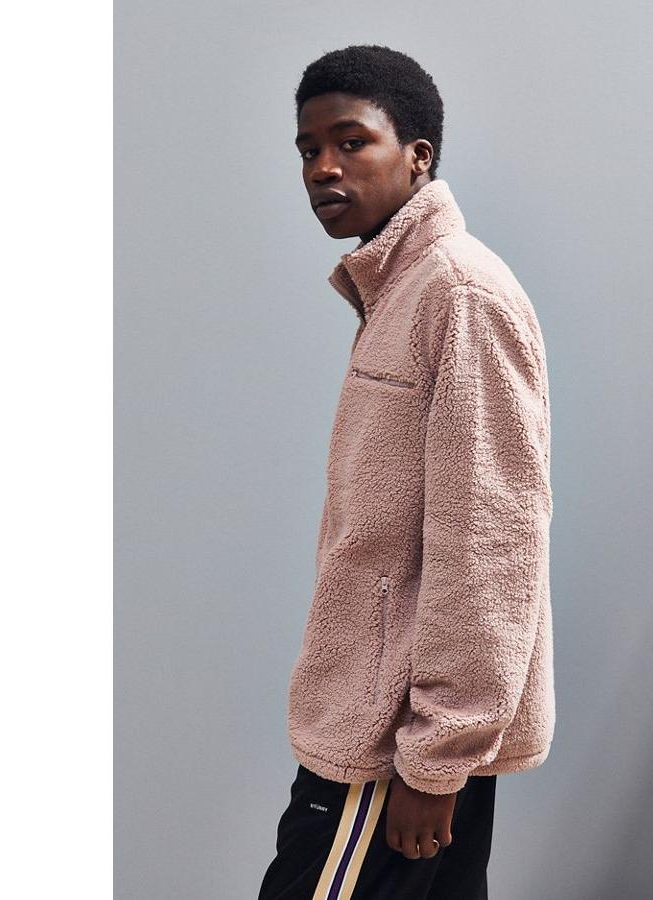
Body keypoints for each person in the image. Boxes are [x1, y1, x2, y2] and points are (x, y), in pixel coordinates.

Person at [258, 44, 555, 899]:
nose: (323, 168)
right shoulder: (404, 290)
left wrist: (437, 757)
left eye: (351, 142)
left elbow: (492, 543)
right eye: (309, 149)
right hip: (395, 725)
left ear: (418, 155)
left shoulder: (458, 293)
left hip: (392, 743)